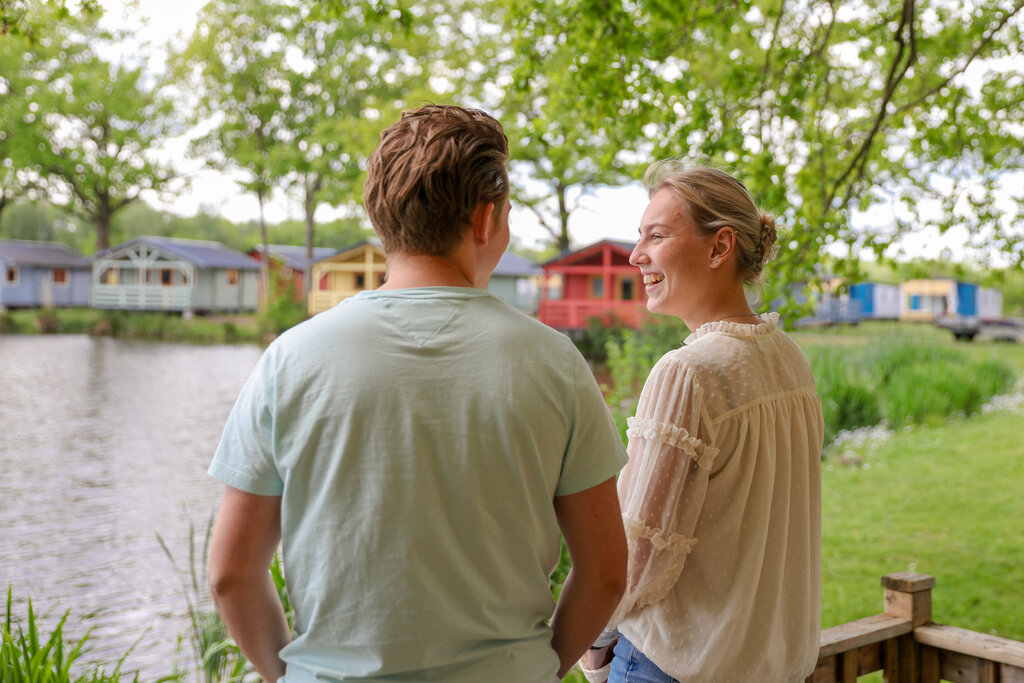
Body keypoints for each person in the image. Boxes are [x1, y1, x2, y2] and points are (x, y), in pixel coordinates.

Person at [207, 105, 628, 683]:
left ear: (382, 222)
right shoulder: (555, 362)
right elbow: (605, 569)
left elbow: (230, 574)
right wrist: (536, 669)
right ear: (485, 220)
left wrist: (293, 675)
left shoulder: (290, 359)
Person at [580, 163, 824, 683]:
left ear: (720, 248)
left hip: (675, 668)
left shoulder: (686, 372)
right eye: (638, 237)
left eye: (657, 236)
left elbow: (638, 551)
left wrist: (594, 644)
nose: (636, 254)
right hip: (775, 667)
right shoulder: (790, 360)